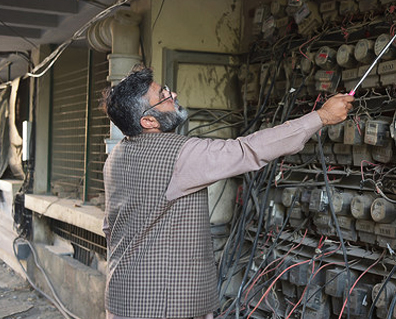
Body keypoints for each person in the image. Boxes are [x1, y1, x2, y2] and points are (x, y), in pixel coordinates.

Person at [102, 67, 354, 319]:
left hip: (123, 296)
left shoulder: (116, 157)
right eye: (164, 96)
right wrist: (321, 117)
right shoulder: (178, 155)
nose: (174, 94)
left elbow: (109, 227)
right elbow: (249, 150)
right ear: (149, 121)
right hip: (163, 306)